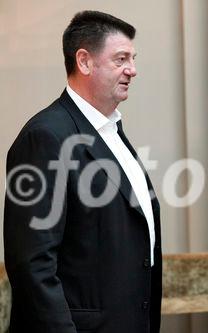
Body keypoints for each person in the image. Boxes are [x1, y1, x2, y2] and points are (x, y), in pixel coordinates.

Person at [4, 11, 162, 333]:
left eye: (133, 58)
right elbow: (32, 266)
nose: (133, 69)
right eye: (121, 59)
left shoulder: (112, 130)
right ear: (85, 62)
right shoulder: (45, 137)